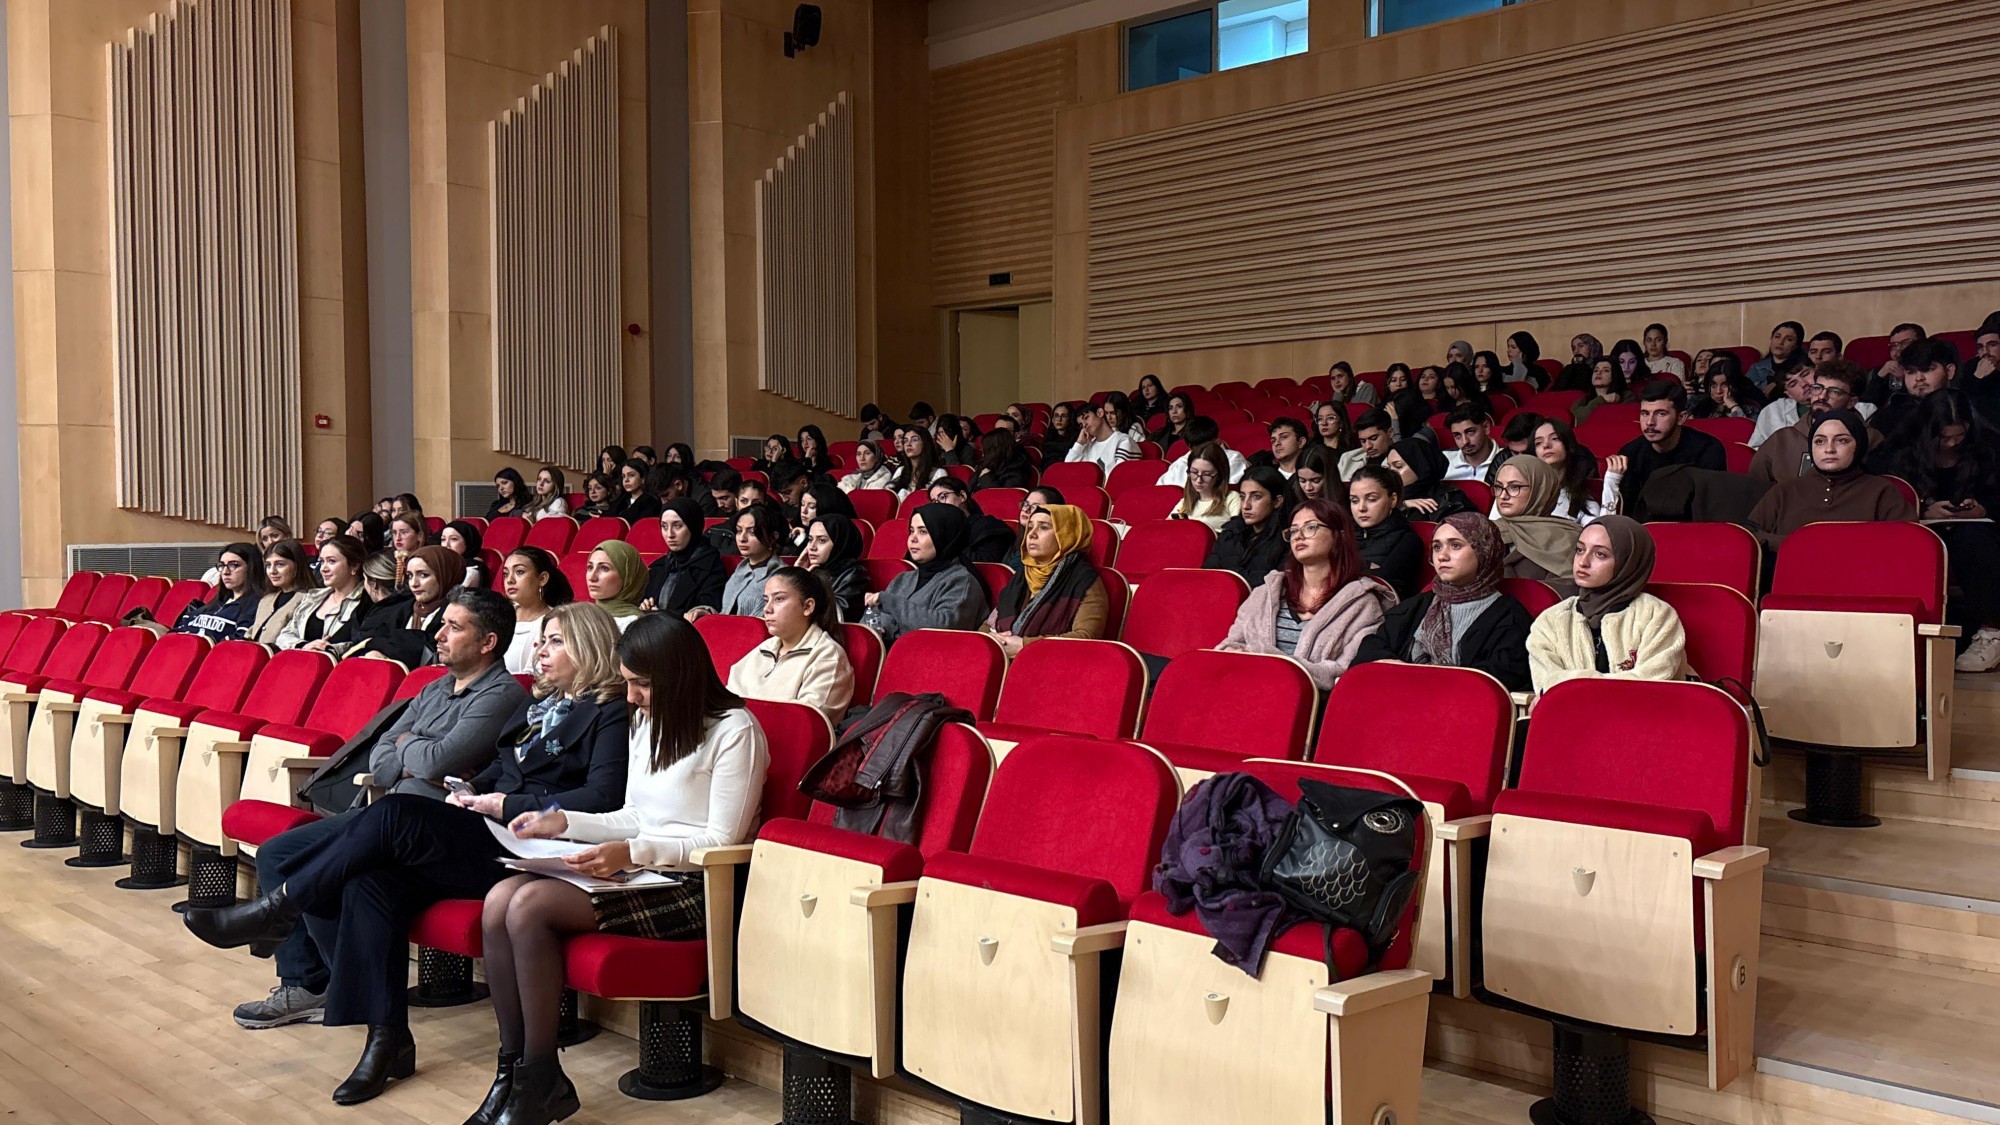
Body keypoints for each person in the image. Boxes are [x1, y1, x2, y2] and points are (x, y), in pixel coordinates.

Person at [187, 596, 622, 1108]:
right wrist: (471, 789)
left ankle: (279, 909)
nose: (541, 651)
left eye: (556, 641)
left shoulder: (609, 712)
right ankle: (387, 1037)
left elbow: (602, 796)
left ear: (590, 648)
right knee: (369, 882)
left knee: (394, 813)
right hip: (490, 828)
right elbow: (493, 769)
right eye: (542, 640)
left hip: (538, 849)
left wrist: (507, 802)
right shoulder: (538, 707)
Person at [467, 615, 766, 1124]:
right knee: (498, 901)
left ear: (678, 677)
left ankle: (539, 1077)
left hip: (695, 886)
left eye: (641, 684)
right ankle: (514, 1069)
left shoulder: (735, 730)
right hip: (644, 869)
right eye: (628, 682)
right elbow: (631, 815)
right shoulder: (649, 720)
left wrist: (632, 853)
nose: (631, 697)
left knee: (528, 906)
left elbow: (721, 842)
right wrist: (563, 820)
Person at [1869, 390, 2000, 670]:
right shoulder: (1900, 450)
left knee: (1973, 540)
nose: (1951, 443)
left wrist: (1983, 508)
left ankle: (1992, 630)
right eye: (1944, 437)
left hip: (1976, 530)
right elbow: (1882, 493)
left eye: (1958, 436)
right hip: (1922, 527)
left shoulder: (1988, 447)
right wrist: (1921, 511)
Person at [1220, 500, 1396, 692]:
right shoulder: (1264, 593)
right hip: (1247, 694)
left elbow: (1343, 673)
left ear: (1339, 535)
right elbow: (1231, 644)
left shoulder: (1364, 605)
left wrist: (1267, 658)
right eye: (1294, 531)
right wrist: (1232, 652)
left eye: (1311, 527)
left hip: (1314, 704)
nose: (1299, 536)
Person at [1354, 513, 1533, 691]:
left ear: (1484, 551)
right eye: (1437, 547)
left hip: (1459, 705)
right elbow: (1371, 649)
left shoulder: (1510, 617)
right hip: (1400, 696)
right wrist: (1395, 668)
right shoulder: (1417, 605)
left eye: (1455, 545)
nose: (1442, 556)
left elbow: (1498, 678)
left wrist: (1423, 679)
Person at [1526, 516, 1686, 693]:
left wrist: (1574, 683)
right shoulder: (1551, 620)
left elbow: (1650, 687)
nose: (1583, 562)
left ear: (1628, 562)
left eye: (1600, 554)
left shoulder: (1656, 615)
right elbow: (1547, 686)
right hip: (1571, 711)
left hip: (1643, 711)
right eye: (1580, 550)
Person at [1746, 409, 1914, 556]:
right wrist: (1795, 544)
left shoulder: (1881, 491)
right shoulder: (1785, 491)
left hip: (1862, 577)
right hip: (1790, 576)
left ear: (1859, 445)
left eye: (1841, 440)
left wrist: (1835, 547)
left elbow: (1908, 543)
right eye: (1820, 441)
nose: (1829, 449)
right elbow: (1749, 535)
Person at [726, 567, 855, 720]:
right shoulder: (765, 648)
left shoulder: (827, 656)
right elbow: (726, 701)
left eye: (779, 599)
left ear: (807, 607)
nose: (767, 609)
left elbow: (804, 723)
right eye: (766, 600)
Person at [984, 505, 1107, 658]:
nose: (1032, 534)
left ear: (1066, 535)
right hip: (1003, 660)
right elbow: (988, 624)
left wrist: (1025, 645)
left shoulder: (1085, 580)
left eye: (1043, 527)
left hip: (1052, 664)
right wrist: (992, 639)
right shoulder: (1022, 576)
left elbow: (1085, 637)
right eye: (1030, 527)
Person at [860, 504, 991, 645]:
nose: (913, 539)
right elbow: (868, 626)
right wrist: (875, 630)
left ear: (943, 536)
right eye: (911, 531)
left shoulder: (961, 582)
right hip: (892, 656)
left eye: (923, 532)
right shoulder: (902, 579)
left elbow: (945, 629)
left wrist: (891, 603)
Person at [1616, 379, 1726, 519]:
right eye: (1645, 413)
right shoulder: (1629, 454)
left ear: (1681, 418)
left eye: (1661, 414)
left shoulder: (1708, 450)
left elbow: (1712, 511)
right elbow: (1627, 516)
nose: (1650, 422)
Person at [1751, 360, 1868, 484]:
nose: (1821, 396)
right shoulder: (1781, 439)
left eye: (1834, 392)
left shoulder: (1871, 439)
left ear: (1851, 402)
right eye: (1818, 388)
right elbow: (1754, 487)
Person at [1491, 456, 1581, 595]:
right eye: (1498, 487)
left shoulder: (1567, 539)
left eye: (1514, 487)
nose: (1503, 495)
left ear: (1540, 490)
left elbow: (1566, 592)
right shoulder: (1485, 530)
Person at [361, 546, 463, 666]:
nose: (414, 583)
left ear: (445, 575)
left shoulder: (459, 613)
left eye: (423, 575)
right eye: (410, 576)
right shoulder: (401, 610)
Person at [690, 505, 785, 620]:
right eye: (739, 531)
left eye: (752, 532)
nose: (742, 538)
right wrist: (707, 613)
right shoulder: (740, 571)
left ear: (773, 537)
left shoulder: (781, 576)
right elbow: (727, 614)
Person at [278, 535, 371, 651]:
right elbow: (284, 636)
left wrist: (327, 649)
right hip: (302, 659)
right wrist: (303, 645)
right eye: (322, 561)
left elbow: (364, 644)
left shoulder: (367, 602)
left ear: (354, 566)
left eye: (331, 561)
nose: (323, 568)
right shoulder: (313, 597)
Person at [1205, 465, 1291, 585]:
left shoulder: (1287, 539)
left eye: (1256, 497)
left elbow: (1274, 582)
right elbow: (1207, 574)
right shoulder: (1230, 533)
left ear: (1277, 501)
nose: (1246, 506)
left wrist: (1230, 574)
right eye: (1242, 497)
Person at [638, 503, 726, 620]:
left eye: (678, 526)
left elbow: (707, 606)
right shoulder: (660, 566)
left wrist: (701, 611)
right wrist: (645, 607)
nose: (670, 534)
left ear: (693, 527)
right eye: (664, 526)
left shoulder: (710, 565)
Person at [1349, 466, 1423, 598]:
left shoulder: (1407, 540)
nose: (1361, 508)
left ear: (1393, 500)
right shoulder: (1342, 535)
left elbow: (1382, 588)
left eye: (1372, 499)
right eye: (1354, 501)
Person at [499, 546, 574, 674]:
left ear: (542, 579)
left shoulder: (555, 622)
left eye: (519, 572)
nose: (510, 580)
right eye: (506, 574)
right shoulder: (498, 615)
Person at [172, 543, 269, 641]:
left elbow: (238, 641)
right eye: (222, 565)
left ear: (252, 568)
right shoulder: (217, 601)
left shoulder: (256, 605)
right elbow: (178, 631)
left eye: (234, 565)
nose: (225, 572)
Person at [1532, 419, 1615, 523]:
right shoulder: (1525, 494)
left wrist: (1612, 483)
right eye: (1538, 443)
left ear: (1569, 445)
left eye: (1555, 438)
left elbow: (1601, 530)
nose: (1546, 445)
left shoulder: (1583, 503)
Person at [927, 476, 1015, 562]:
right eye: (934, 502)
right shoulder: (938, 533)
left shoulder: (987, 526)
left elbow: (986, 565)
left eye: (943, 497)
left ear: (962, 496)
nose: (938, 505)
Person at [248, 539, 320, 645]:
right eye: (268, 565)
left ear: (297, 565)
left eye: (280, 564)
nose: (272, 571)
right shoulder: (266, 599)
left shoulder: (308, 600)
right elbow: (253, 632)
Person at [801, 514, 868, 622]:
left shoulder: (854, 574)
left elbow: (835, 615)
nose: (812, 547)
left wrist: (804, 583)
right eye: (810, 539)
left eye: (821, 540)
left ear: (839, 543)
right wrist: (798, 575)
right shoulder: (813, 570)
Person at [1384, 438, 1471, 519]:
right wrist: (1401, 506)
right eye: (1389, 467)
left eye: (1398, 466)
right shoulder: (1388, 497)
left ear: (1421, 467)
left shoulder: (1450, 499)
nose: (1391, 473)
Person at [1156, 416, 1248, 486]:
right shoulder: (1179, 464)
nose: (1201, 453)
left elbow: (1228, 492)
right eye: (1195, 448)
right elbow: (1161, 491)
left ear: (1217, 440)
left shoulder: (1234, 460)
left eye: (1205, 447)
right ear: (1189, 447)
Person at [579, 541, 646, 627]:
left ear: (627, 576)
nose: (592, 577)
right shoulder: (580, 616)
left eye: (604, 568)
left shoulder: (636, 624)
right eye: (590, 567)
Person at [1064, 400, 1140, 477]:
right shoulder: (1086, 446)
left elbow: (1118, 477)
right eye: (1081, 425)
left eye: (1086, 418)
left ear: (1100, 413)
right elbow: (1067, 471)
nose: (1084, 425)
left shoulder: (1123, 441)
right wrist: (1079, 443)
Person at [1694, 352, 1766, 419]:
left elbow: (1745, 428)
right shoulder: (1698, 407)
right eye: (1713, 385)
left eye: (1724, 385)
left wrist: (1733, 406)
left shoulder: (1751, 407)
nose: (1718, 391)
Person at [1442, 404, 1501, 482]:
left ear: (1486, 427)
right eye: (1457, 435)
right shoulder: (1443, 461)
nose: (1465, 441)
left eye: (1470, 432)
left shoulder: (1507, 460)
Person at [1747, 320, 1809, 392]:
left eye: (1789, 339)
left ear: (1797, 345)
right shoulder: (1757, 368)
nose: (1780, 342)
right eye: (1777, 337)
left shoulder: (1804, 368)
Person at [889, 427, 949, 497]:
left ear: (925, 443)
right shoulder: (900, 470)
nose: (908, 444)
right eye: (905, 441)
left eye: (914, 440)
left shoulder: (939, 473)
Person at [969, 427, 1035, 491]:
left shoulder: (1017, 472)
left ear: (996, 451)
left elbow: (1003, 495)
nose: (983, 454)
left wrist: (986, 477)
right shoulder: (988, 464)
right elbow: (969, 489)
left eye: (986, 450)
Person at [1571, 355, 1628, 426]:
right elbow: (1576, 421)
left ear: (1615, 375)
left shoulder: (1626, 396)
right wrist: (1602, 399)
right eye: (1596, 370)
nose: (1598, 373)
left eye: (1606, 370)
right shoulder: (1583, 400)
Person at [1340, 408, 1394, 482]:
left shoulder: (1403, 461)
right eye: (1363, 441)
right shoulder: (1347, 458)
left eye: (1373, 438)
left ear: (1390, 433)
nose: (1368, 446)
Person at [609, 458, 663, 523]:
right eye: (623, 476)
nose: (626, 480)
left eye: (631, 475)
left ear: (643, 478)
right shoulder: (620, 500)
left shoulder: (652, 503)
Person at [440, 520, 487, 588]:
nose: (446, 545)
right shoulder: (442, 564)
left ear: (468, 542)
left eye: (454, 539)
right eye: (443, 539)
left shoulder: (472, 569)